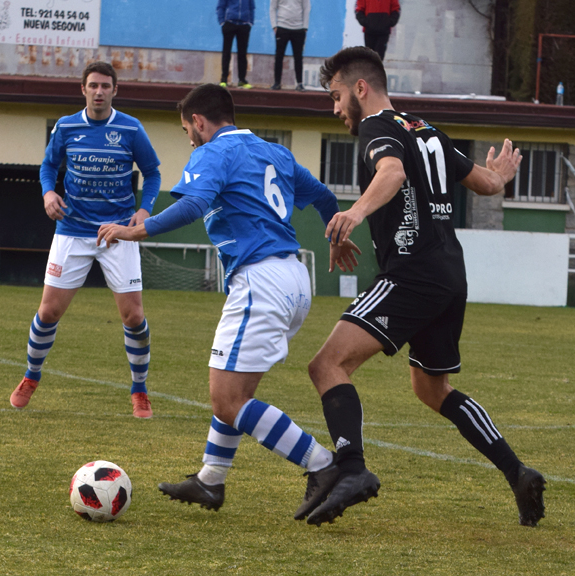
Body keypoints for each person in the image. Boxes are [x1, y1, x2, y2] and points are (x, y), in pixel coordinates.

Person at [301, 46, 545, 528]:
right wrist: (501, 175)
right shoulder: (425, 128)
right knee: (432, 388)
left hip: (412, 273)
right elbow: (485, 184)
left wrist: (355, 213)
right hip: (450, 275)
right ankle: (518, 472)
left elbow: (390, 172)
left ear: (361, 89)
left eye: (336, 96)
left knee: (328, 364)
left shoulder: (377, 127)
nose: (335, 109)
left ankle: (351, 470)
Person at [96, 84, 357, 516]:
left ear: (199, 121)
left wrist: (134, 231)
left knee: (227, 400)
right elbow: (324, 198)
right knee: (235, 389)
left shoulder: (214, 152)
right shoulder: (276, 152)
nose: (189, 138)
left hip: (261, 280)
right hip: (293, 278)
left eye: (187, 130)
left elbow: (193, 205)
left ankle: (324, 465)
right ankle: (210, 481)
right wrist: (334, 235)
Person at [9, 61, 162, 419]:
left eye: (105, 86)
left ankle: (139, 390)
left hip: (118, 232)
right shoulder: (65, 126)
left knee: (133, 316)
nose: (98, 91)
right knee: (48, 311)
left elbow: (153, 172)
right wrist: (49, 193)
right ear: (83, 89)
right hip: (73, 231)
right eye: (92, 85)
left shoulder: (130, 128)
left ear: (114, 90)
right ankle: (31, 376)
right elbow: (49, 166)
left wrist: (146, 210)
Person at [270, 0, 309, 91]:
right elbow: (272, 7)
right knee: (279, 56)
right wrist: (274, 26)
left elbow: (306, 8)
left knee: (298, 57)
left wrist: (305, 27)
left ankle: (299, 83)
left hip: (298, 28)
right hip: (282, 27)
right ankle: (277, 83)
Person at [218, 0, 255, 89]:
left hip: (244, 25)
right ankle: (224, 79)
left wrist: (250, 23)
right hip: (229, 24)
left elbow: (252, 8)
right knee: (226, 52)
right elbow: (221, 6)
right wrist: (222, 22)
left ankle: (242, 80)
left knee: (242, 53)